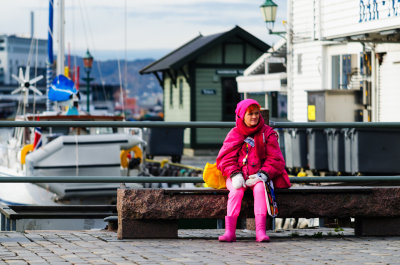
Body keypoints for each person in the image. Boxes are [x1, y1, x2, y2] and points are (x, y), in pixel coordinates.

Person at [216, 99, 291, 242]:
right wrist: (235, 174)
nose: (254, 117)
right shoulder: (234, 134)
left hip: (259, 176)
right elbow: (225, 159)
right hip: (237, 175)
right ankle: (229, 232)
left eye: (256, 113)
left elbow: (275, 159)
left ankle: (260, 232)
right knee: (236, 191)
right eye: (250, 114)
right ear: (241, 115)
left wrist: (262, 175)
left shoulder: (267, 133)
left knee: (259, 189)